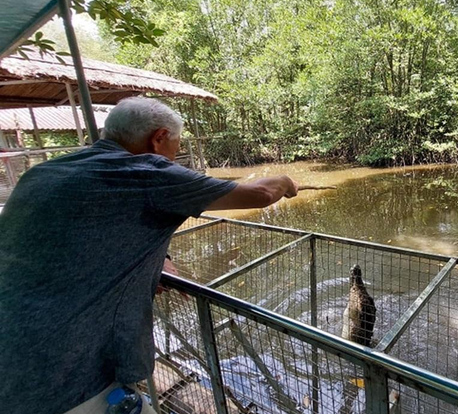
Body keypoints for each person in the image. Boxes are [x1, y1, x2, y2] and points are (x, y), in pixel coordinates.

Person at [0, 97, 299, 414]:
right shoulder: (147, 172)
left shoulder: (44, 173)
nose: (174, 156)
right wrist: (286, 180)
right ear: (159, 139)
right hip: (63, 378)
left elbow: (91, 233)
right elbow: (260, 193)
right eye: (175, 146)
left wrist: (159, 258)